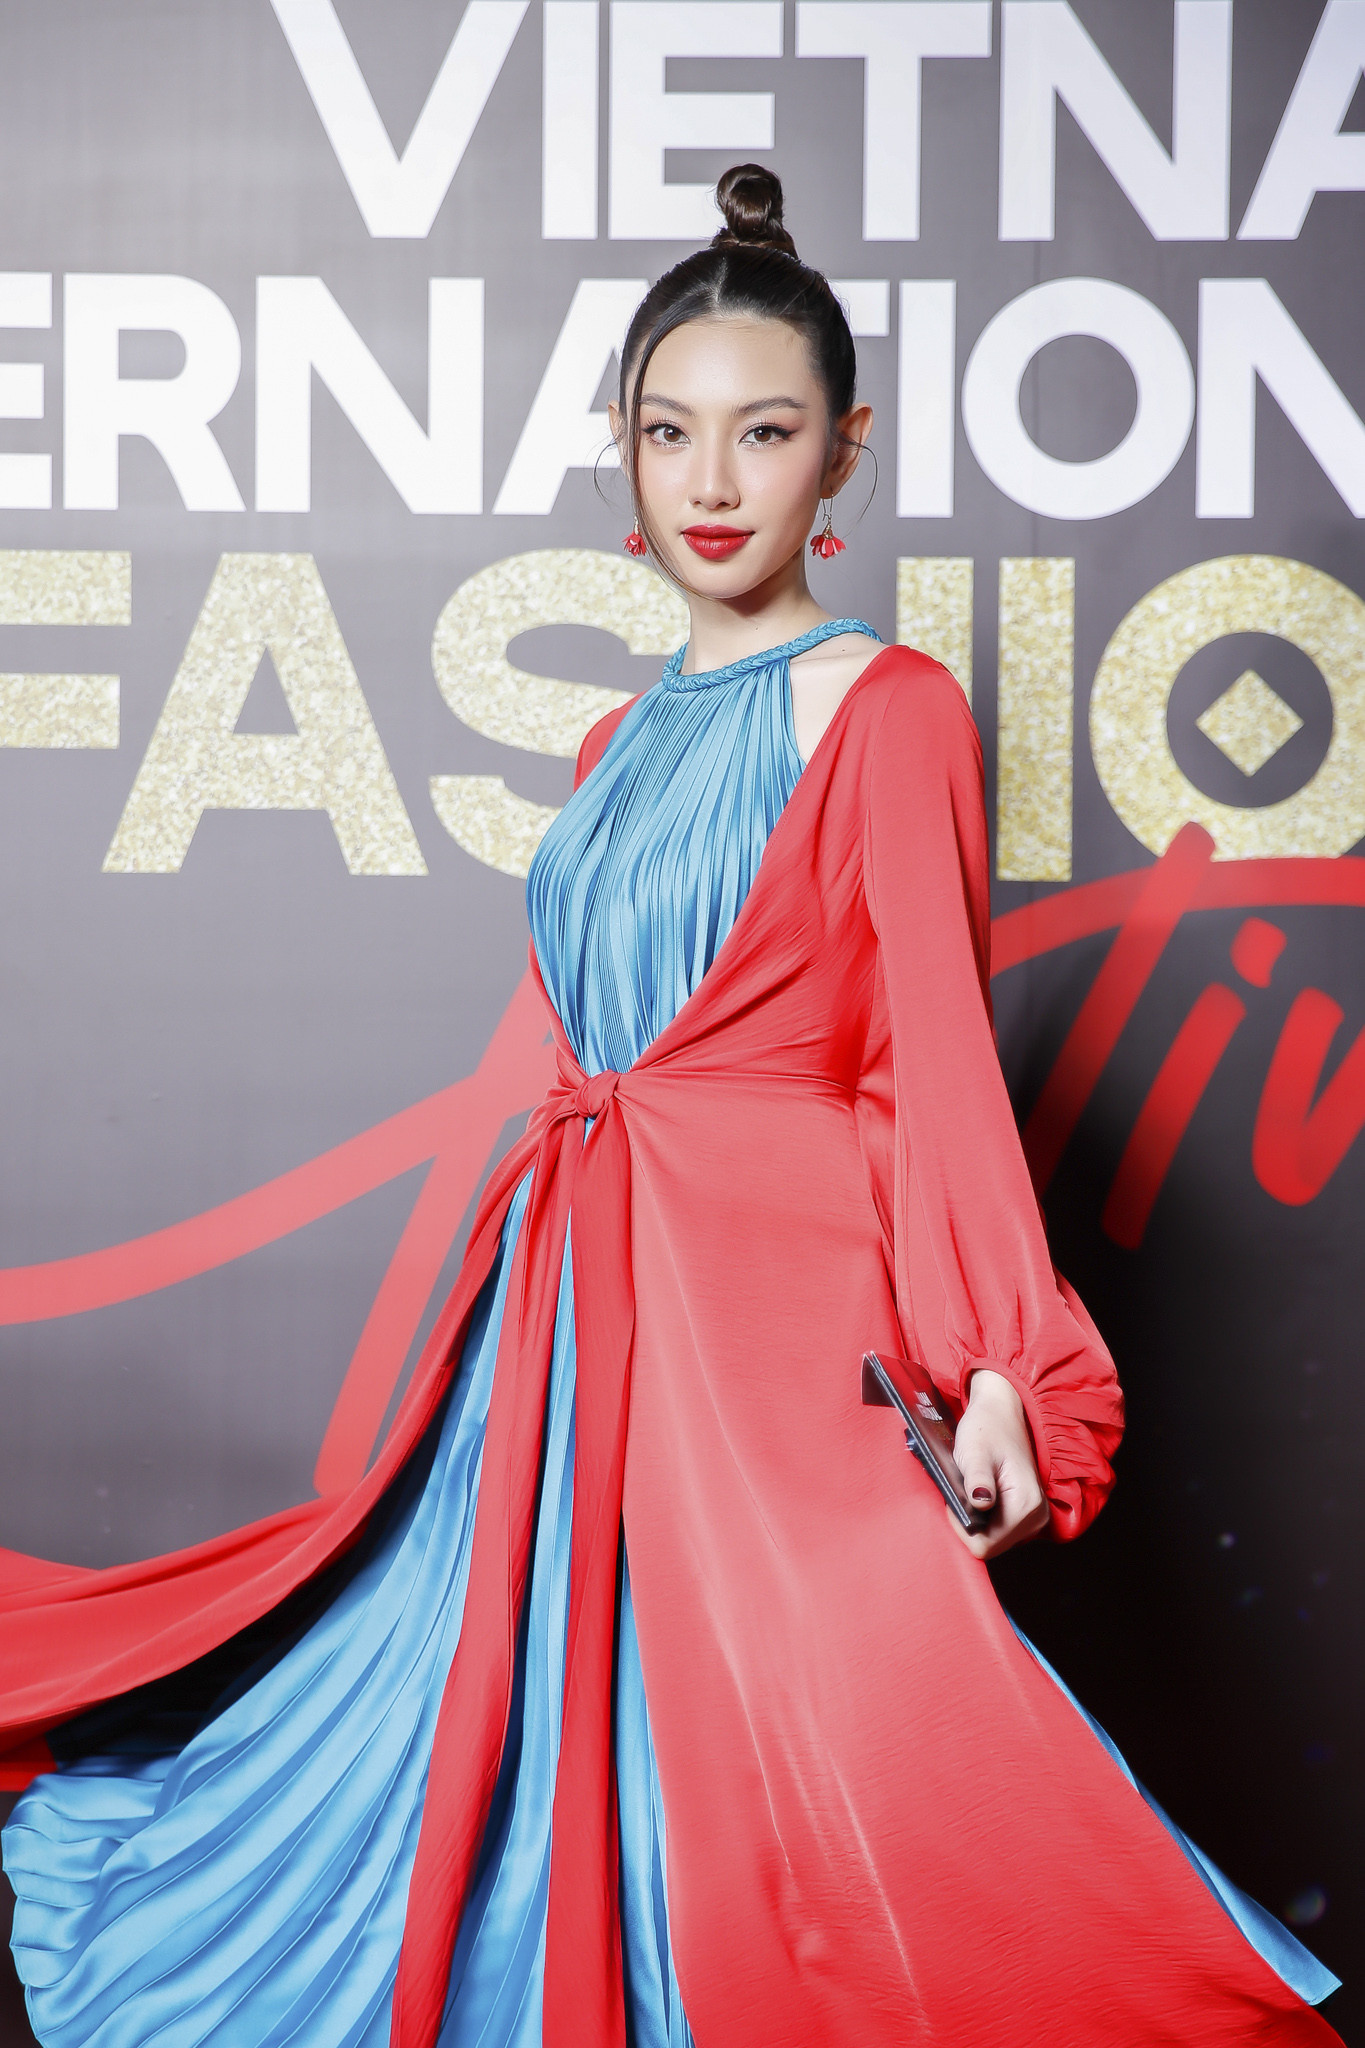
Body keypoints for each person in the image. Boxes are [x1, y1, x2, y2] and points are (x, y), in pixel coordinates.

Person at [0, 165, 1343, 2048]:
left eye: (765, 433)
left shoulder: (888, 709)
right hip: (574, 1294)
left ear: (842, 454)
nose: (712, 480)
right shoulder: (611, 738)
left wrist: (997, 1370)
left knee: (837, 1728)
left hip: (770, 1311)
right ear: (620, 454)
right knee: (547, 1702)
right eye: (668, 432)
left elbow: (931, 1064)